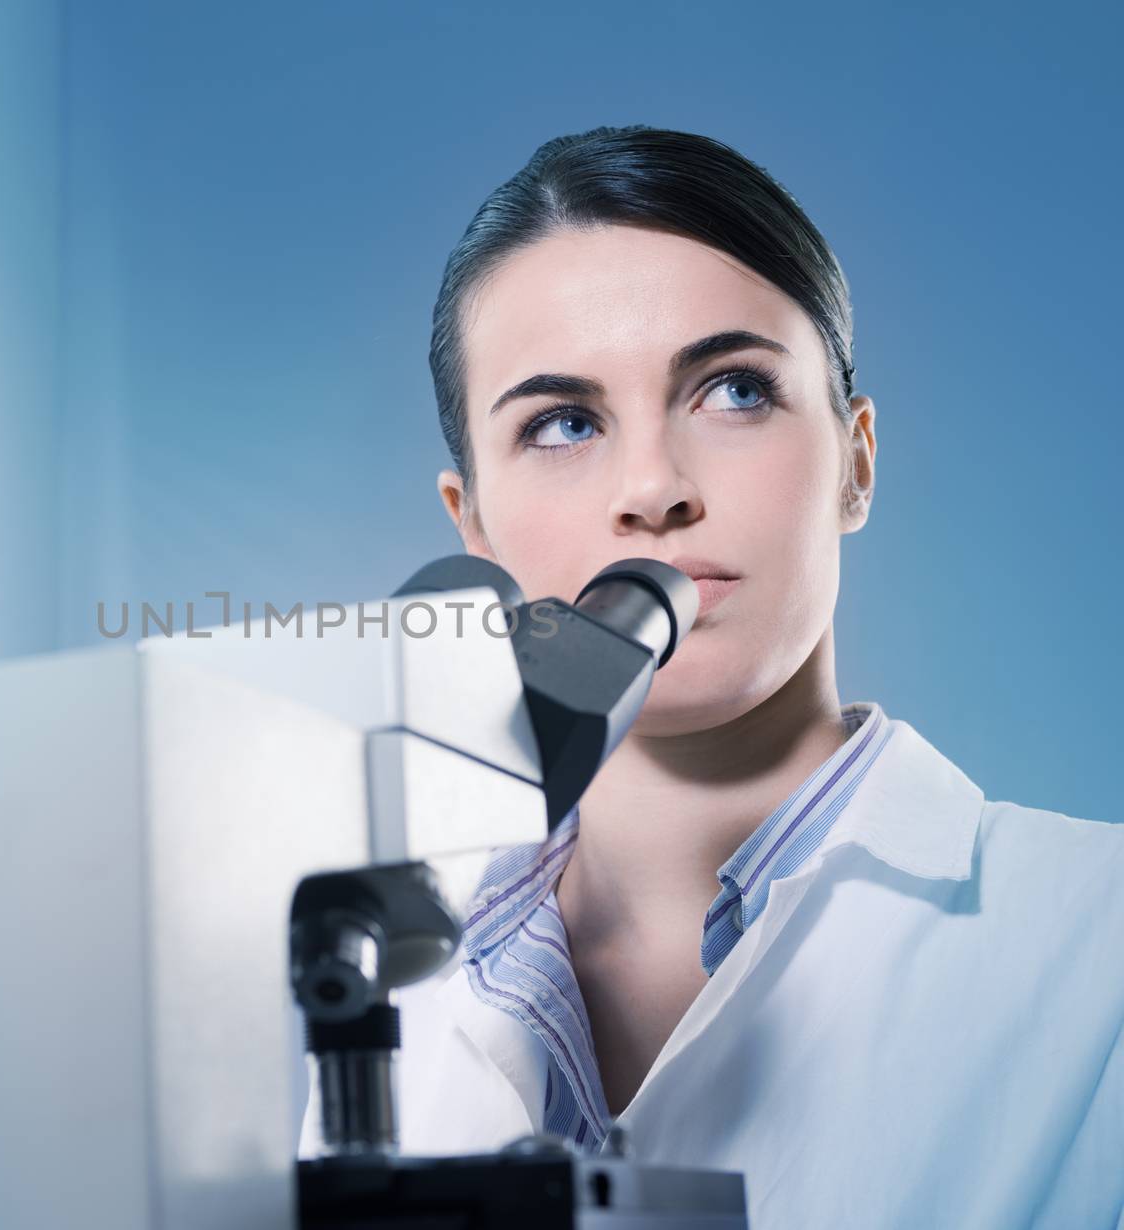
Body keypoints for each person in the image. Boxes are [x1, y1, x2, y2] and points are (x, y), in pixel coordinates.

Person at [300, 126, 1124, 1228]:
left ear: (856, 460)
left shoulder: (1097, 937)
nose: (652, 488)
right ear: (474, 529)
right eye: (562, 422)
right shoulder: (330, 972)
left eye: (732, 391)